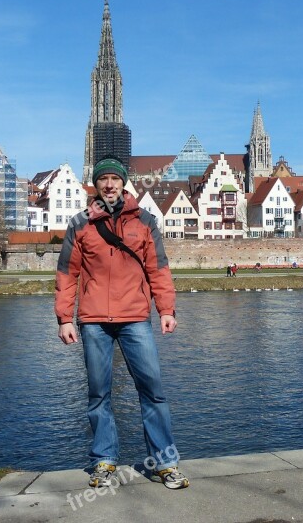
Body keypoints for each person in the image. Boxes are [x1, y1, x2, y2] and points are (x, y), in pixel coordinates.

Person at [55, 156, 189, 490]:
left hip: (135, 318)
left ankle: (165, 463)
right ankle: (104, 460)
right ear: (96, 185)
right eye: (104, 179)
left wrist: (167, 310)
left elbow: (158, 268)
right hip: (93, 320)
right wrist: (63, 318)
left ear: (124, 183)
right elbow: (66, 273)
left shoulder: (144, 221)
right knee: (99, 394)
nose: (110, 184)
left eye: (115, 179)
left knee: (153, 391)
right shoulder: (80, 223)